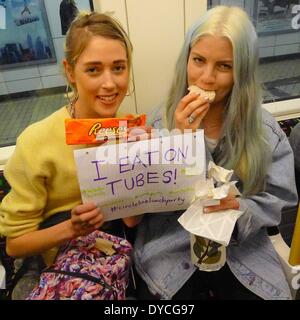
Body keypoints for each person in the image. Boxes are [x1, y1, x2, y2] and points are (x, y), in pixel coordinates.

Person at [133, 5, 298, 300]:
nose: (206, 77)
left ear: (241, 72)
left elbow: (279, 197)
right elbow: (149, 204)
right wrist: (180, 143)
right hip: (174, 247)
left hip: (242, 249)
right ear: (186, 59)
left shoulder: (264, 130)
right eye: (198, 61)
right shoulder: (159, 123)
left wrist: (242, 209)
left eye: (224, 66)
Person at [0, 11, 138, 299]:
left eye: (118, 67)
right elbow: (15, 245)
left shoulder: (128, 127)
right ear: (69, 71)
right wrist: (72, 228)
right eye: (93, 70)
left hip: (117, 257)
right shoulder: (36, 142)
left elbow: (131, 222)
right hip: (61, 265)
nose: (110, 83)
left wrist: (144, 158)